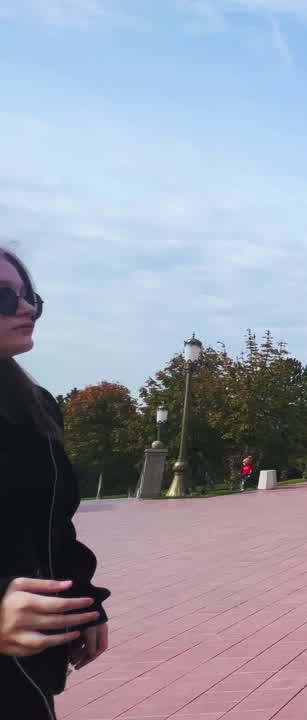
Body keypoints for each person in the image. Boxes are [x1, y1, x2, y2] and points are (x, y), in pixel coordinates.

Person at [0, 249, 111, 719]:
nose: (27, 308)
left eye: (31, 298)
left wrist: (85, 601)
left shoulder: (34, 406)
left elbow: (53, 525)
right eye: (6, 298)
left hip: (26, 668)